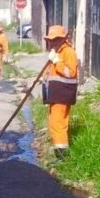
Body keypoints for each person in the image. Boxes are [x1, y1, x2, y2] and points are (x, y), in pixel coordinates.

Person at [41, 25, 78, 159]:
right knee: (54, 122)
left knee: (58, 124)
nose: (52, 42)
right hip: (56, 93)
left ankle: (62, 157)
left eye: (55, 39)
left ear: (63, 38)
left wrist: (57, 61)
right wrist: (43, 78)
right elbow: (51, 72)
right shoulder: (57, 51)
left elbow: (70, 73)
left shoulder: (68, 52)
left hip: (63, 92)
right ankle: (59, 153)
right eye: (50, 40)